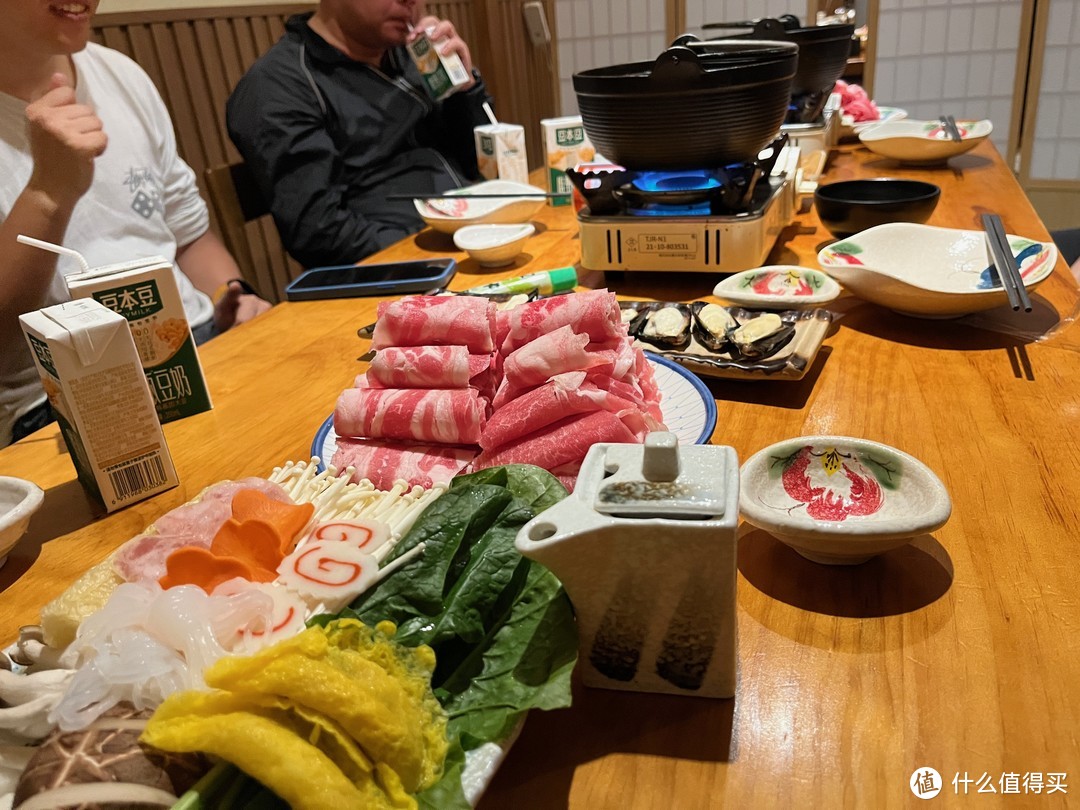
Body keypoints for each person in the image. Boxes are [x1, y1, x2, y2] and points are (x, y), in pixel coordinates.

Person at [0, 0, 272, 448]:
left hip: (197, 346)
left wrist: (233, 297)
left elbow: (189, 236)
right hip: (55, 404)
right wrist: (48, 193)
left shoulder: (120, 74)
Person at [226, 0, 493, 269]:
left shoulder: (412, 53)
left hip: (476, 235)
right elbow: (320, 234)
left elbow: (479, 167)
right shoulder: (278, 87)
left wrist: (464, 90)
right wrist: (438, 248)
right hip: (407, 273)